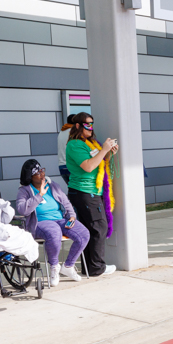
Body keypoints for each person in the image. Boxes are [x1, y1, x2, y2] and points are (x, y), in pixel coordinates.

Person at [16, 159, 87, 285]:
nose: (42, 174)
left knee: (83, 234)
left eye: (42, 170)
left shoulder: (53, 185)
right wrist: (39, 195)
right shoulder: (25, 190)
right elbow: (22, 210)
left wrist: (72, 215)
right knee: (54, 232)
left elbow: (66, 202)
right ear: (30, 177)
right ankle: (54, 267)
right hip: (40, 223)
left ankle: (68, 266)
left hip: (60, 219)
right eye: (38, 173)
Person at [65, 112, 118, 277]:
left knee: (91, 229)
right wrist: (104, 150)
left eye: (92, 123)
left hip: (93, 191)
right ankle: (97, 268)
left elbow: (98, 162)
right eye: (87, 124)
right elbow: (88, 166)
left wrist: (109, 153)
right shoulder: (74, 144)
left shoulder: (89, 143)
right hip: (83, 192)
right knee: (98, 227)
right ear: (78, 126)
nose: (91, 127)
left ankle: (89, 267)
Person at [57, 114, 75, 183]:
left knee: (72, 191)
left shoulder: (61, 132)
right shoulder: (73, 132)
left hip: (62, 167)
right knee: (79, 192)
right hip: (71, 167)